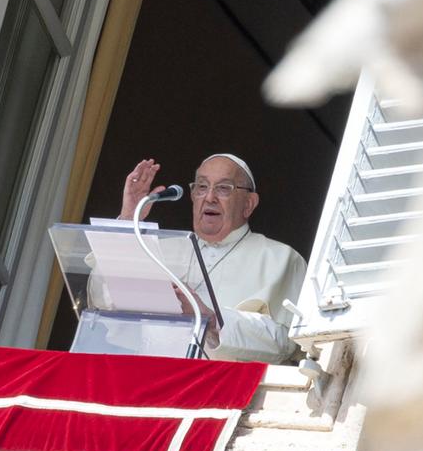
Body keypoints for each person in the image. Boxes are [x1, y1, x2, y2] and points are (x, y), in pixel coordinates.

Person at [118, 154, 307, 363]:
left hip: (228, 390)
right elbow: (104, 301)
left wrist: (210, 319)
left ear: (249, 204)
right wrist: (128, 219)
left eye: (224, 188)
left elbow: (286, 342)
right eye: (201, 187)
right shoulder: (158, 249)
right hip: (150, 379)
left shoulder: (281, 258)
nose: (209, 197)